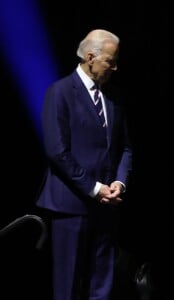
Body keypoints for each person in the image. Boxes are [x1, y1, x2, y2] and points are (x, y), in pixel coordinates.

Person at [35, 29, 133, 300]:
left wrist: (118, 182)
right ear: (90, 57)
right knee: (68, 285)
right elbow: (57, 152)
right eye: (110, 61)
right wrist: (94, 188)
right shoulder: (61, 92)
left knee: (101, 284)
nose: (115, 67)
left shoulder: (113, 96)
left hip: (107, 206)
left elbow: (124, 147)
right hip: (71, 206)